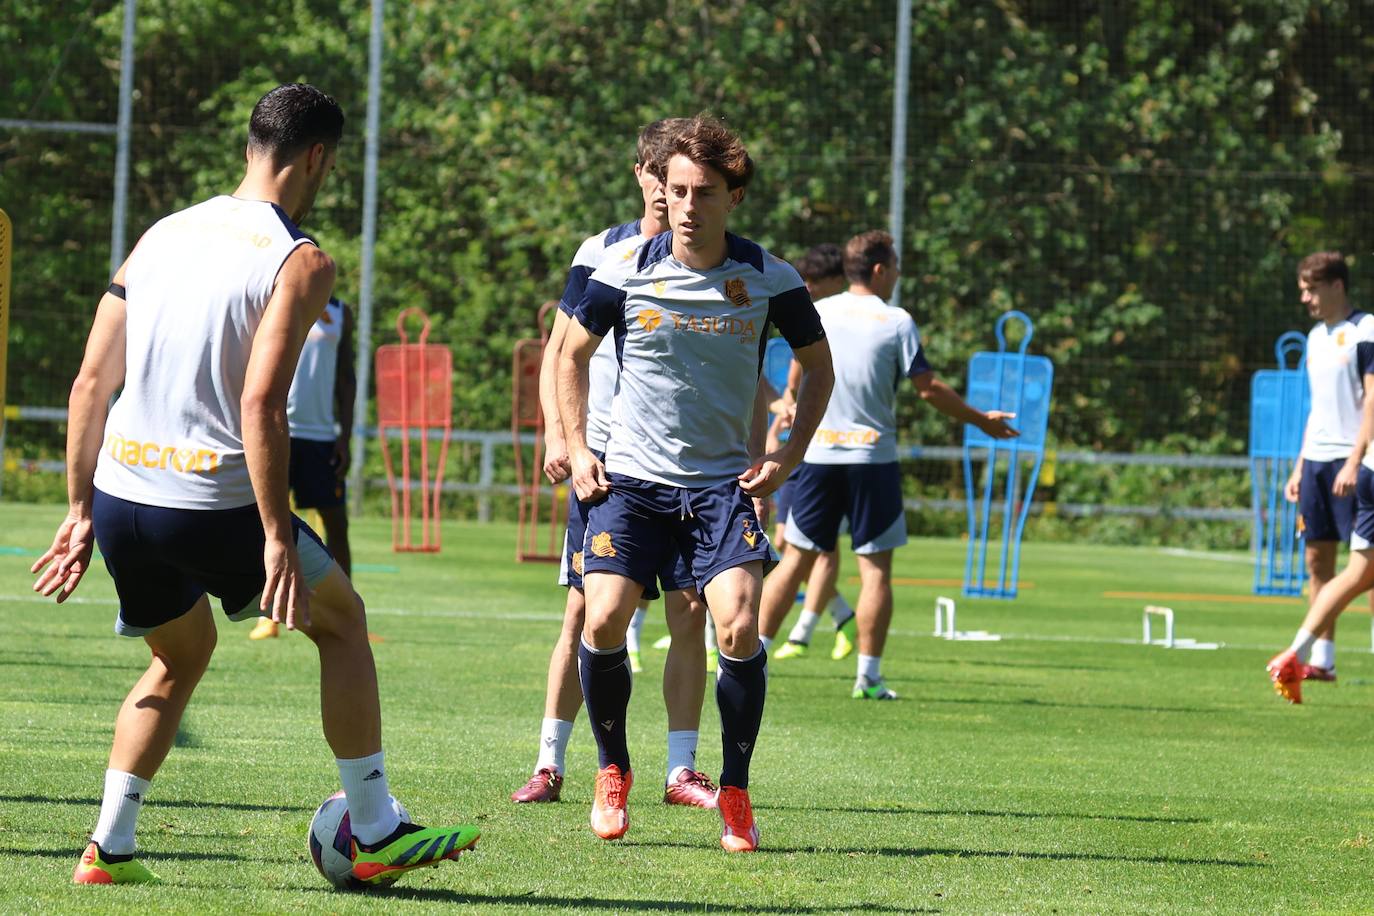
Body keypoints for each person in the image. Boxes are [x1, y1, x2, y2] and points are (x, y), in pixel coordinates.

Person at [30, 83, 477, 886]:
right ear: (318, 160)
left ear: (249, 147)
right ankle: (373, 828)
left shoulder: (161, 234)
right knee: (342, 622)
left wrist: (77, 508)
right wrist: (277, 532)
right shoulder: (300, 258)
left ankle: (109, 847)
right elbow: (262, 403)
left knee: (179, 654)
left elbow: (90, 383)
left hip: (123, 496)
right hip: (209, 502)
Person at [559, 114, 835, 852]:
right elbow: (569, 357)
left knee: (739, 624)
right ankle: (612, 769)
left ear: (732, 197)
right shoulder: (623, 268)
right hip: (631, 483)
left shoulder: (770, 279)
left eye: (703, 192)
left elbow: (821, 370)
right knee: (601, 619)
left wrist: (788, 455)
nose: (686, 206)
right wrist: (578, 446)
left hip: (718, 488)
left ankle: (735, 790)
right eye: (677, 190)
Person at [512, 118, 720, 810]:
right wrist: (561, 440)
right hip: (605, 466)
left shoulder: (711, 260)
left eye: (680, 180)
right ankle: (550, 763)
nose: (669, 192)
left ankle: (680, 769)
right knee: (583, 615)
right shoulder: (603, 252)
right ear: (640, 175)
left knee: (691, 610)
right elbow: (559, 351)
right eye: (658, 177)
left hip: (685, 468)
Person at [756, 230, 1018, 700]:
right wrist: (980, 421)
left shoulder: (821, 310)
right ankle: (868, 678)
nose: (896, 275)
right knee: (874, 571)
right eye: (895, 266)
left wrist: (789, 403)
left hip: (816, 456)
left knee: (794, 562)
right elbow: (929, 388)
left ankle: (750, 663)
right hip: (872, 461)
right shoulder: (896, 320)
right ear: (879, 270)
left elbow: (799, 365)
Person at [1269, 252, 1374, 702]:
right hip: (1316, 461)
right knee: (1319, 562)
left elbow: (1371, 400)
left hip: (1355, 463)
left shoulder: (1365, 330)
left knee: (1365, 568)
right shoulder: (1314, 338)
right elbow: (1316, 409)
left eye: (1311, 289)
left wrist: (1355, 458)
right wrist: (1299, 465)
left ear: (1336, 285)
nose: (1306, 298)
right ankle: (1322, 660)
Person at [768, 243, 857, 662]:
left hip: (832, 450)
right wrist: (783, 409)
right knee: (789, 543)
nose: (805, 289)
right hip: (801, 446)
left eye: (813, 284)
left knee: (817, 546)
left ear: (836, 283)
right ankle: (843, 617)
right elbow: (794, 381)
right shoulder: (805, 321)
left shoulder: (847, 321)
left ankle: (803, 633)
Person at [249, 292, 356, 639]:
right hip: (276, 429)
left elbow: (346, 377)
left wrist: (345, 437)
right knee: (262, 522)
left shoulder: (340, 312)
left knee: (336, 522)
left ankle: (348, 609)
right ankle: (268, 614)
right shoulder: (273, 300)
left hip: (321, 437)